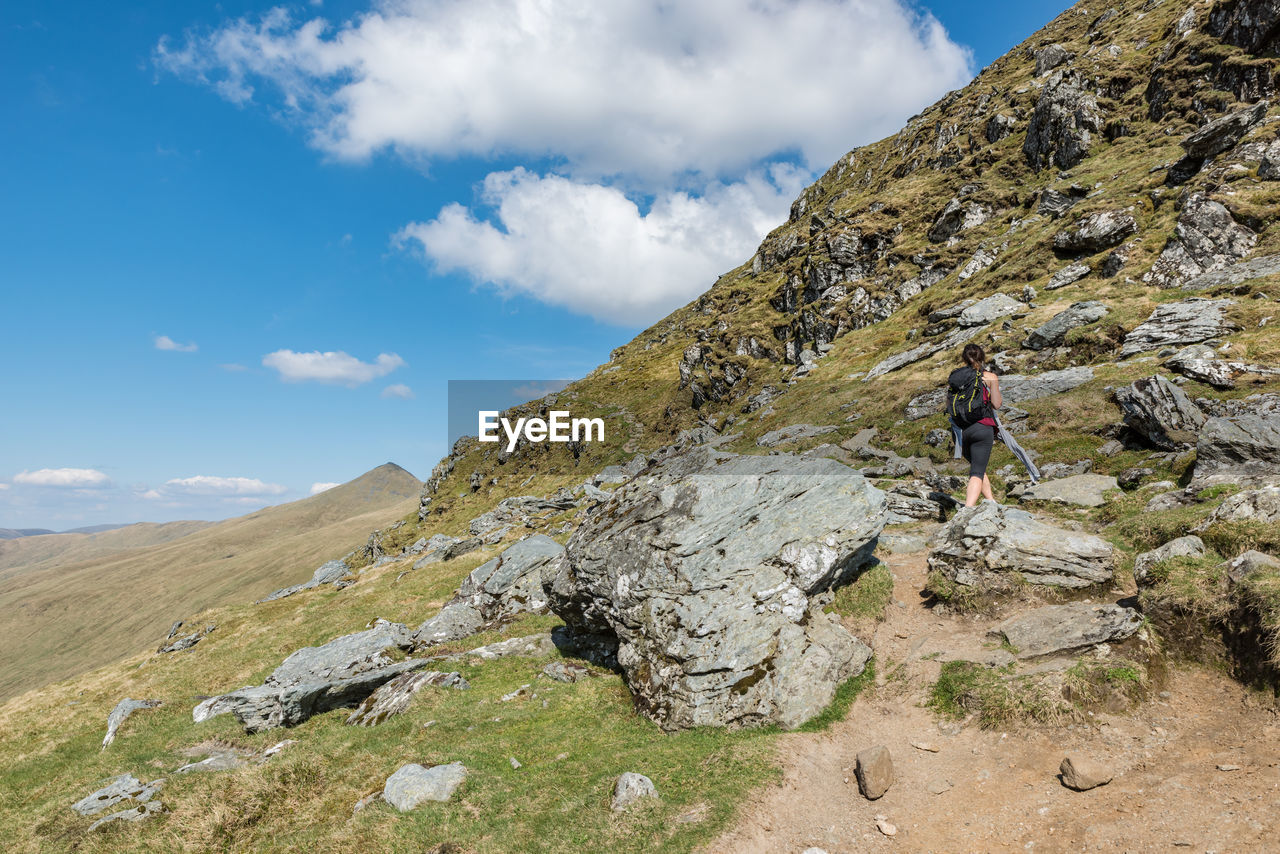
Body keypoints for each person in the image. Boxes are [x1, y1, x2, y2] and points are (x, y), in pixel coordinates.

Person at [949, 343, 1002, 506]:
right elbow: (997, 404)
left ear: (964, 358)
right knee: (977, 473)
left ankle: (990, 501)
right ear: (983, 357)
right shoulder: (990, 377)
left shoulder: (957, 377)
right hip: (982, 427)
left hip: (960, 431)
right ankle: (968, 509)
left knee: (978, 466)